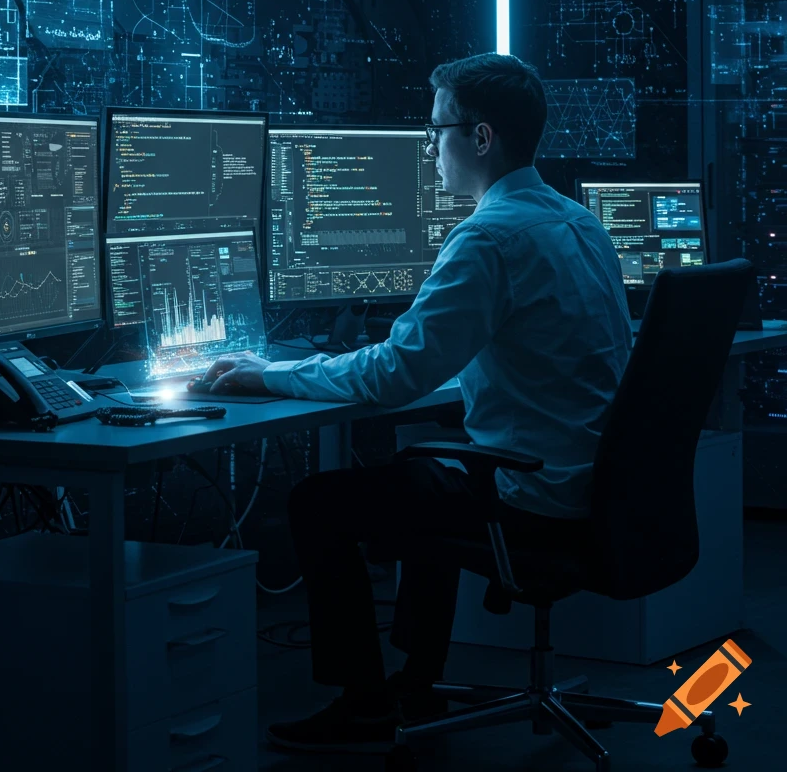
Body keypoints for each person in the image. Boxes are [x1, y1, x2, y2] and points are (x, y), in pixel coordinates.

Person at [203, 53, 632, 754]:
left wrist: (270, 373)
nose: (428, 146)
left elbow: (393, 378)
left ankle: (364, 702)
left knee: (320, 501)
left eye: (436, 130)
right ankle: (417, 680)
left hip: (538, 499)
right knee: (426, 472)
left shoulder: (489, 237)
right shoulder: (576, 221)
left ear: (482, 138)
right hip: (594, 488)